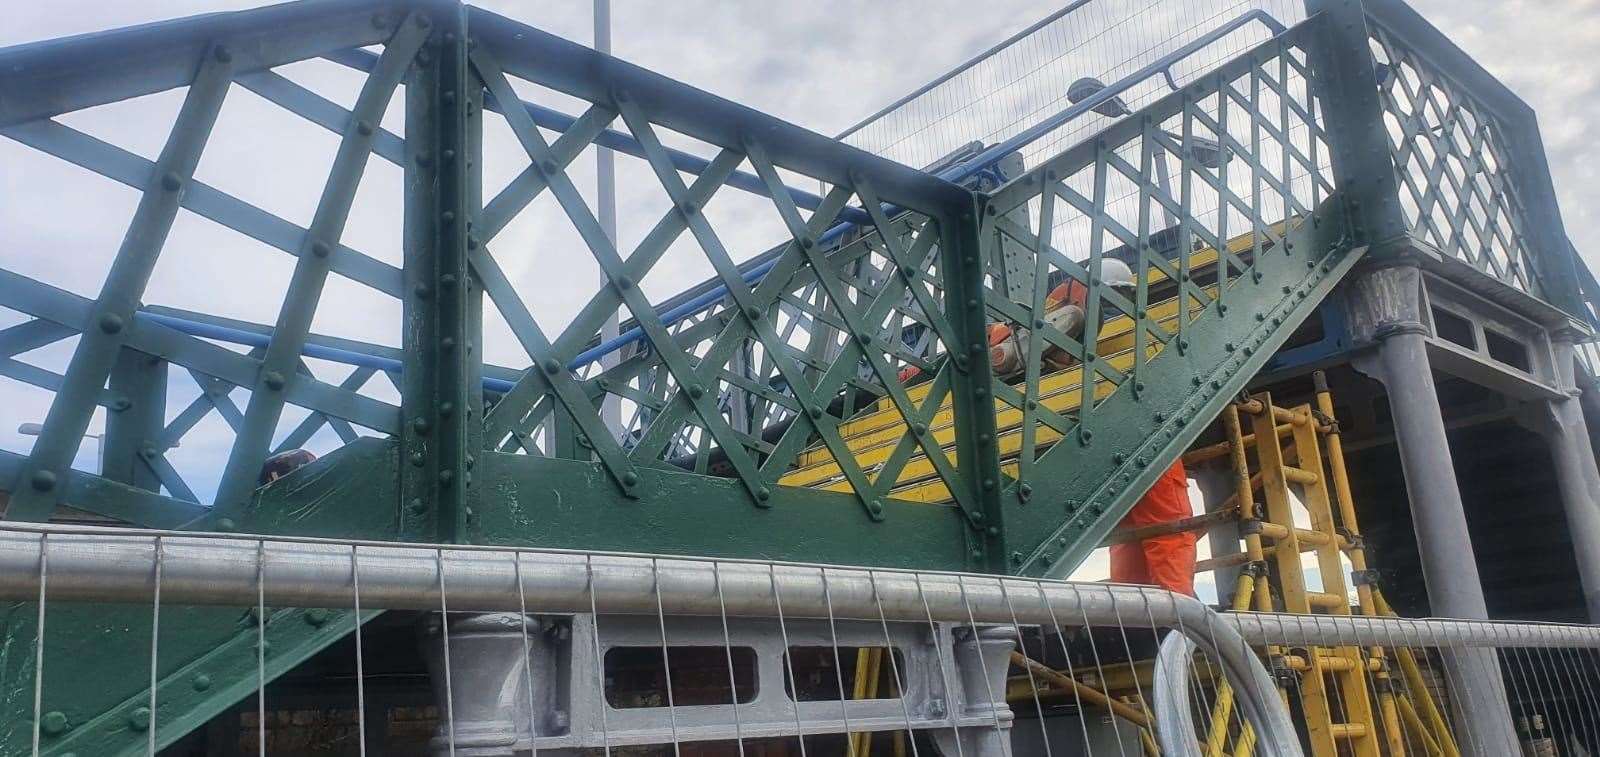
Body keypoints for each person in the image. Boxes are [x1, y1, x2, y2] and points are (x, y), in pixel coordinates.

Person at [1109, 458, 1198, 596]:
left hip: (1113, 470)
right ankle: (1175, 610)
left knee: (1126, 543)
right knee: (1169, 535)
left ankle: (1130, 609)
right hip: (1155, 459)